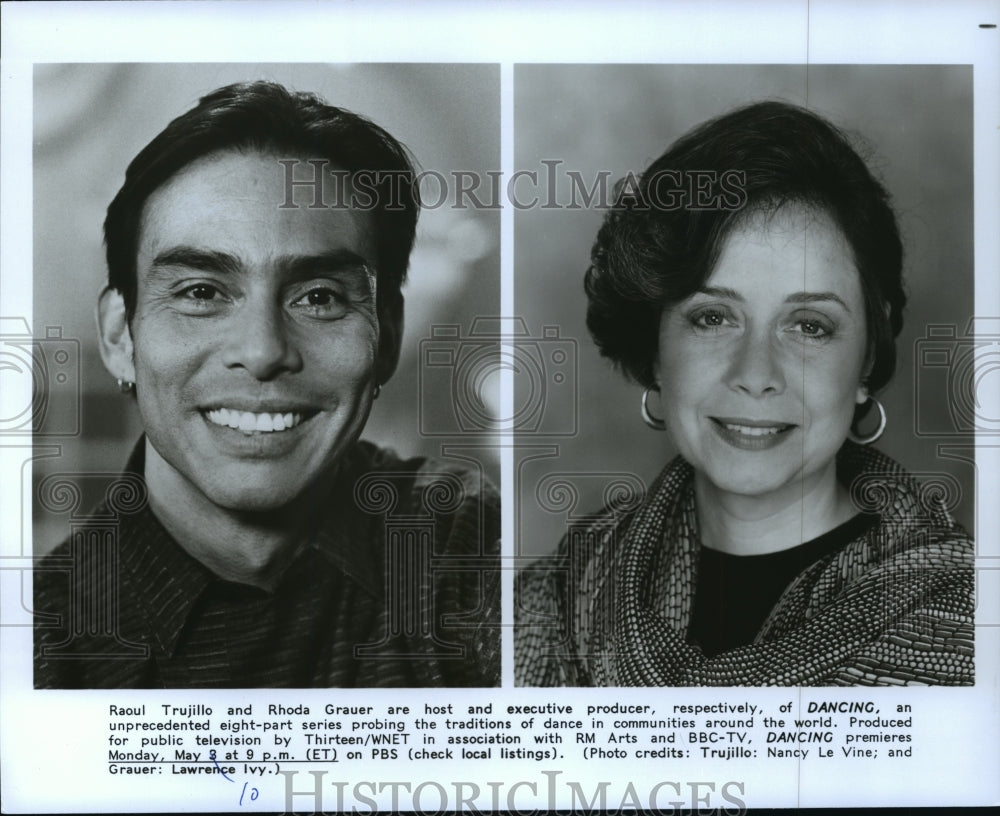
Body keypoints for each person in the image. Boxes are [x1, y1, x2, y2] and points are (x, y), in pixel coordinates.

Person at [34, 80, 499, 688]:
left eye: (319, 297)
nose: (262, 353)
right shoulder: (36, 646)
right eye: (201, 292)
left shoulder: (465, 546)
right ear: (122, 336)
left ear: (385, 336)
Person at [515, 101, 974, 687]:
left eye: (810, 325)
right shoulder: (546, 603)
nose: (756, 374)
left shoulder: (973, 623)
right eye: (712, 318)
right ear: (656, 349)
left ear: (866, 357)